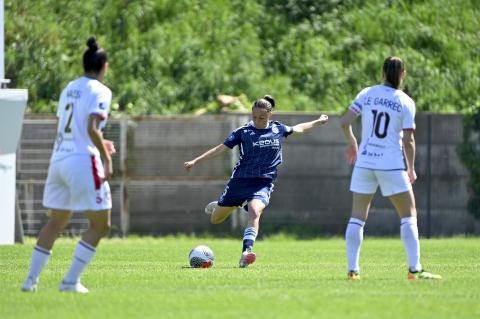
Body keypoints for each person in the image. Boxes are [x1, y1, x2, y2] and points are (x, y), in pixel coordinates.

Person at [184, 95, 328, 267]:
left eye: (262, 117)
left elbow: (299, 129)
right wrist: (196, 161)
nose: (258, 120)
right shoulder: (243, 132)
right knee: (216, 219)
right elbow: (220, 149)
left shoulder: (277, 129)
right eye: (254, 117)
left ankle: (246, 253)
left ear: (270, 116)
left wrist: (317, 121)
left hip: (263, 183)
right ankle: (219, 205)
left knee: (255, 211)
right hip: (240, 182)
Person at [21, 37, 114, 293]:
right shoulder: (100, 90)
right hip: (82, 161)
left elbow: (69, 125)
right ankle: (70, 281)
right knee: (101, 223)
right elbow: (91, 127)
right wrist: (106, 157)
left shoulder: (69, 88)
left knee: (57, 220)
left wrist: (101, 143)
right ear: (103, 66)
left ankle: (30, 282)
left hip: (59, 158)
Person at [340, 56, 441, 281]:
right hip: (391, 164)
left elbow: (344, 122)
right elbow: (408, 140)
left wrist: (352, 143)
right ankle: (414, 270)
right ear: (403, 74)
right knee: (408, 215)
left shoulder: (366, 94)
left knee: (357, 217)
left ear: (382, 73)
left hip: (365, 162)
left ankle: (352, 270)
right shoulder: (405, 101)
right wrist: (411, 168)